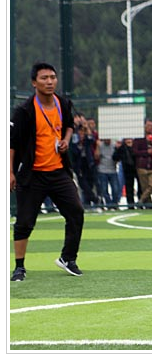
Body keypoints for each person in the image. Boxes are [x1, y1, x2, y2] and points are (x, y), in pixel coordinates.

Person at [10, 62, 85, 280]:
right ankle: (19, 267)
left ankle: (68, 258)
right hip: (32, 174)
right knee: (24, 222)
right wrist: (10, 172)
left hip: (59, 172)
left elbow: (69, 125)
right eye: (44, 78)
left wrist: (66, 140)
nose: (50, 81)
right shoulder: (24, 111)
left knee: (76, 212)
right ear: (34, 83)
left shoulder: (63, 103)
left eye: (53, 77)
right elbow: (11, 143)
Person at [132, 119, 152, 208]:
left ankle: (141, 200)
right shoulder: (139, 138)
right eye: (148, 125)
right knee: (145, 187)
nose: (150, 127)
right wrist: (146, 152)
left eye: (151, 126)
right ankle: (149, 204)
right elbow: (134, 151)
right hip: (142, 165)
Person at [97, 138, 121, 210]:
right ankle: (109, 204)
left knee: (116, 189)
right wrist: (97, 146)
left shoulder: (114, 145)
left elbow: (117, 158)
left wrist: (118, 149)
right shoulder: (100, 145)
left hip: (113, 170)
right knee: (104, 190)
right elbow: (96, 156)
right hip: (102, 170)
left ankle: (114, 204)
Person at [113, 138, 137, 209]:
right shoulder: (122, 148)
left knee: (139, 186)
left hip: (137, 167)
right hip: (127, 169)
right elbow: (115, 157)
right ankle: (130, 204)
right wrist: (118, 148)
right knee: (128, 186)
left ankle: (141, 202)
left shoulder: (135, 145)